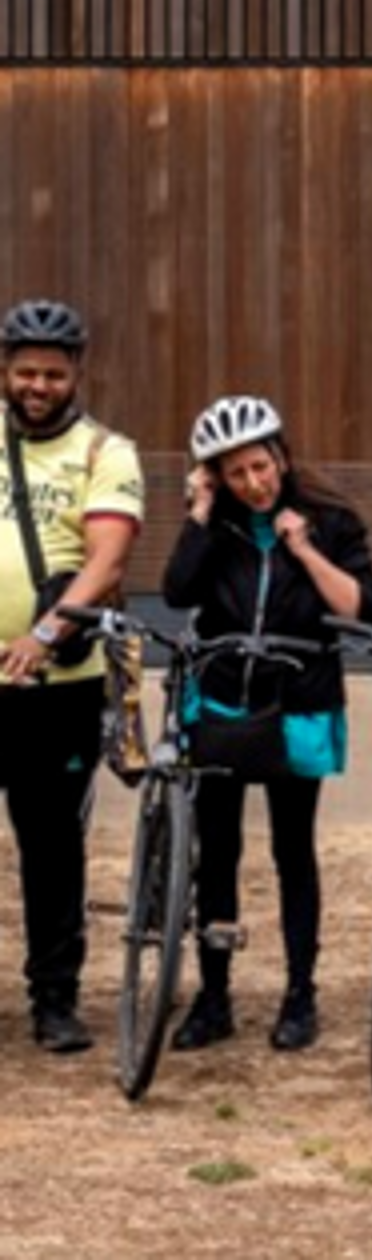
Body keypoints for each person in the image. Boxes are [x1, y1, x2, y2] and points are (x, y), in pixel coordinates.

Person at [162, 396, 372, 1052]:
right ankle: (214, 995)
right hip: (223, 703)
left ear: (281, 457)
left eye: (260, 467)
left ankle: (299, 995)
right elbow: (178, 591)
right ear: (216, 477)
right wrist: (199, 514)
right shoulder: (218, 524)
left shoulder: (332, 519)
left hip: (298, 705)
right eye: (235, 474)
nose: (252, 484)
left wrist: (304, 549)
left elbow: (363, 608)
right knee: (219, 852)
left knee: (293, 852)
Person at [0, 299, 143, 1053]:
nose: (37, 386)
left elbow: (107, 558)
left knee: (51, 846)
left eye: (52, 374)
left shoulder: (103, 452)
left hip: (59, 684)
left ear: (76, 374)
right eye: (25, 371)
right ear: (5, 370)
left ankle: (54, 999)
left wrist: (48, 632)